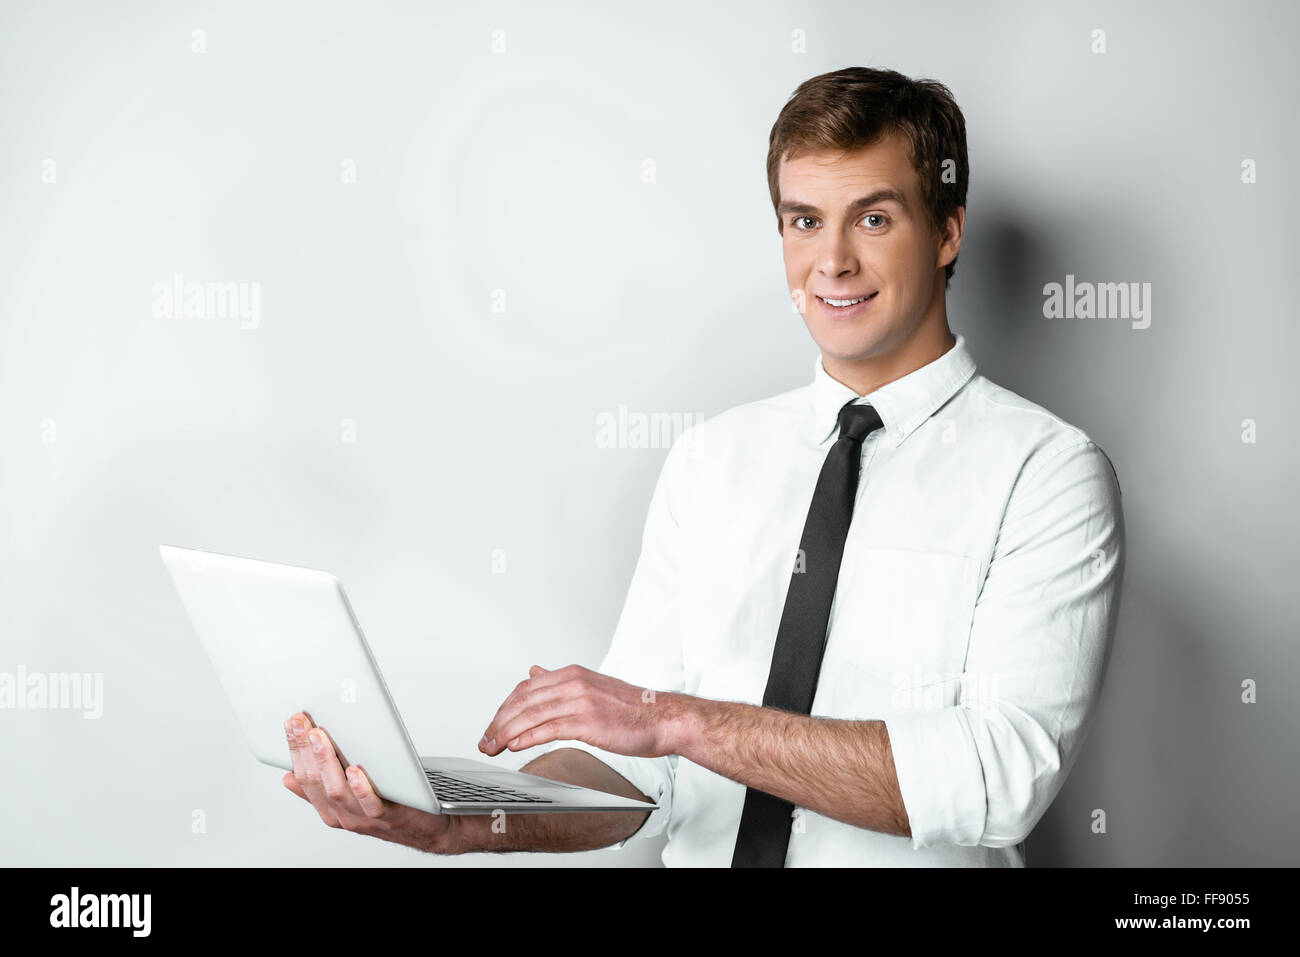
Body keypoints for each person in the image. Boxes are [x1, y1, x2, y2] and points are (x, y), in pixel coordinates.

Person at [282, 66, 1126, 867]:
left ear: (946, 231)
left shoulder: (1046, 473)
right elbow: (643, 776)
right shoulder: (710, 460)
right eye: (803, 220)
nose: (831, 262)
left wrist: (673, 719)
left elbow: (998, 778)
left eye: (873, 218)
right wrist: (448, 820)